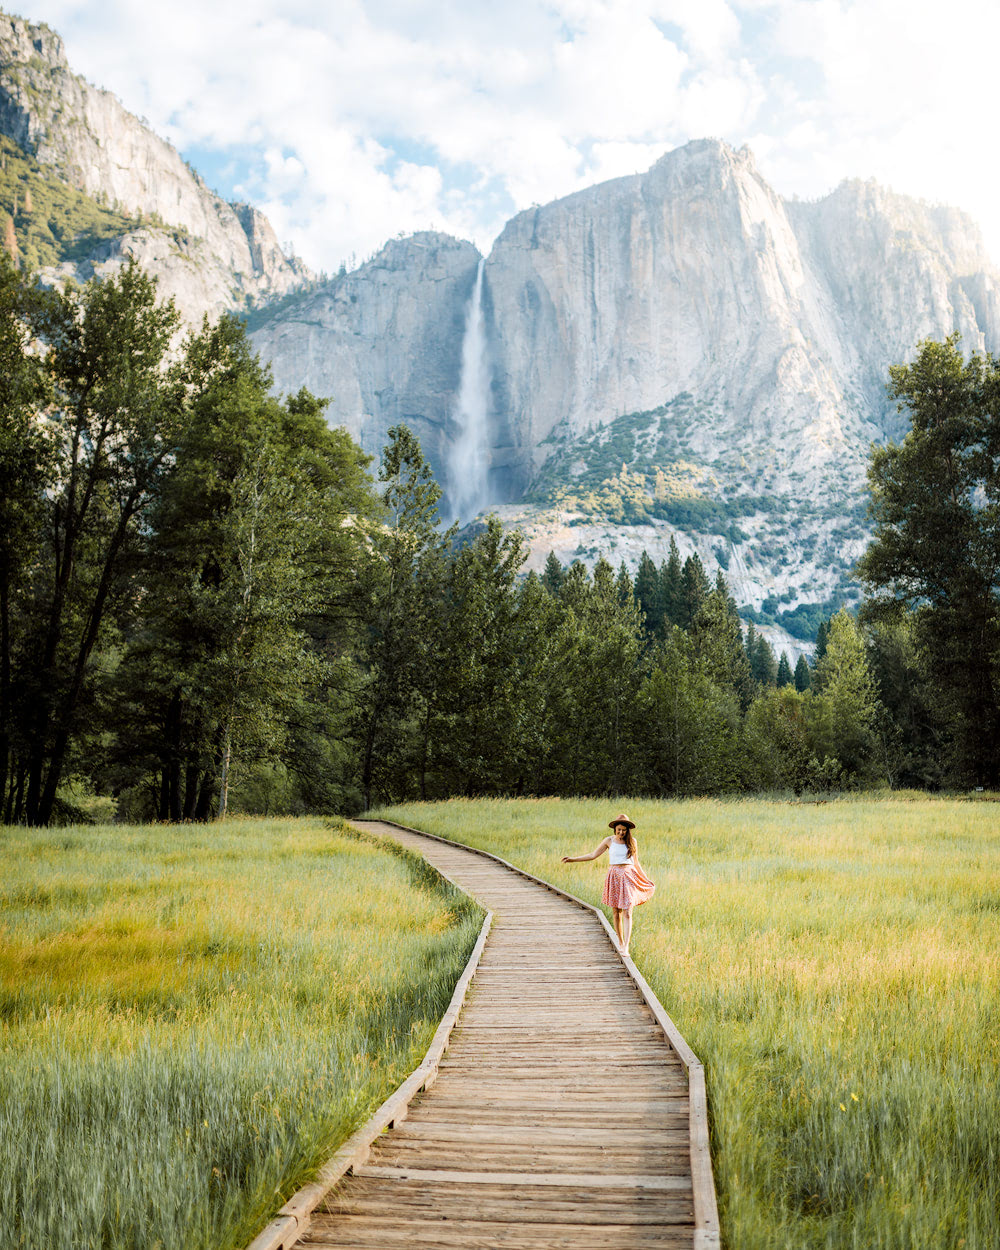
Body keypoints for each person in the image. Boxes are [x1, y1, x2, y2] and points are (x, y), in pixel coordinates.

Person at [561, 813, 654, 956]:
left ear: (628, 830)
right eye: (619, 830)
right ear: (615, 829)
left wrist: (646, 878)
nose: (621, 833)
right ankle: (620, 942)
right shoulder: (609, 841)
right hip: (614, 876)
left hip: (628, 876)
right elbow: (593, 855)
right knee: (616, 912)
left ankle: (626, 947)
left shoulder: (632, 841)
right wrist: (573, 859)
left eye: (624, 830)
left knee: (628, 911)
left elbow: (636, 863)